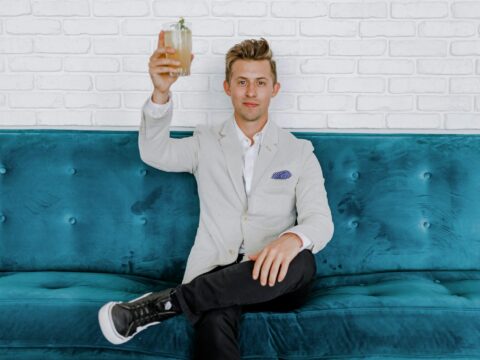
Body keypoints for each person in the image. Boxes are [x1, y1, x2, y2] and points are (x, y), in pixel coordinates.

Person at [98, 31, 334, 360]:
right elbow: (155, 152)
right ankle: (186, 299)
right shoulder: (204, 142)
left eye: (261, 82)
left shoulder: (300, 152)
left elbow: (320, 221)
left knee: (304, 259)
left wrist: (291, 240)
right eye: (241, 82)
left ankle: (164, 305)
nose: (251, 92)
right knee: (215, 310)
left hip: (277, 280)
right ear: (227, 87)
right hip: (215, 274)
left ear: (274, 89)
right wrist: (160, 93)